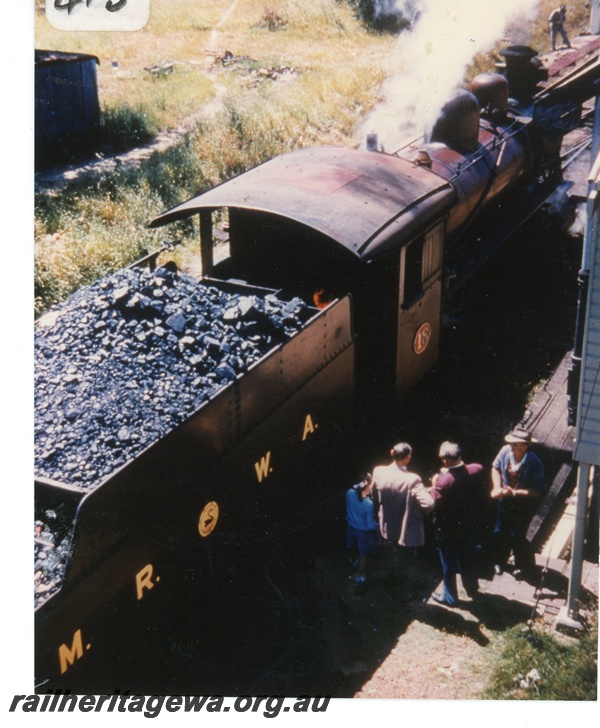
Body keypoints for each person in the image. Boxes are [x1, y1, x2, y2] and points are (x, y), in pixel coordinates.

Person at [428, 442, 486, 607]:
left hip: (446, 527)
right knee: (467, 557)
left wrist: (434, 482)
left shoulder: (443, 481)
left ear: (445, 460)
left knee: (448, 562)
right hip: (467, 523)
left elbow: (435, 499)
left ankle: (451, 597)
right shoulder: (477, 469)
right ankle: (472, 588)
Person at [372, 443, 434, 592]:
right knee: (406, 561)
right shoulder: (412, 479)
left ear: (392, 453)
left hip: (386, 524)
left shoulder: (378, 471)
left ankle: (388, 583)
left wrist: (377, 512)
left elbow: (374, 495)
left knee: (389, 554)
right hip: (405, 530)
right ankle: (405, 592)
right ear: (408, 458)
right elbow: (429, 503)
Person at [491, 427, 545, 581]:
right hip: (505, 501)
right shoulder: (505, 451)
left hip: (523, 506)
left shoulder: (535, 463)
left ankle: (523, 567)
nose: (511, 445)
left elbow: (537, 491)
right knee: (499, 532)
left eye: (515, 444)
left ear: (525, 446)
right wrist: (496, 487)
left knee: (517, 536)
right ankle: (499, 561)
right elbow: (495, 468)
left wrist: (514, 493)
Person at [346, 472, 379, 588]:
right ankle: (359, 577)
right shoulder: (368, 504)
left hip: (351, 527)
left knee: (353, 548)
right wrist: (378, 524)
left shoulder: (349, 493)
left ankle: (353, 563)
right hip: (362, 532)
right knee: (363, 554)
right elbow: (370, 525)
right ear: (368, 486)